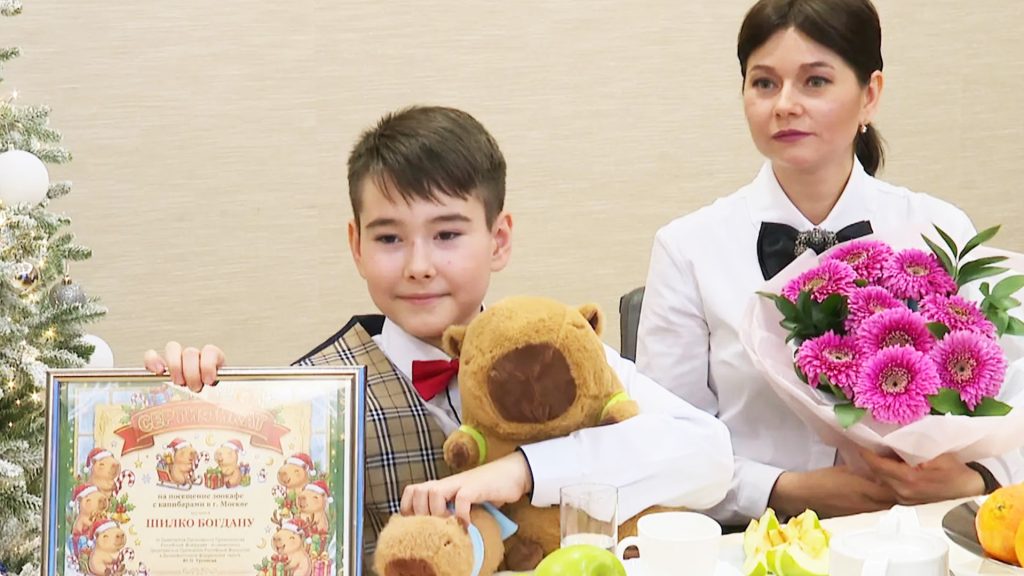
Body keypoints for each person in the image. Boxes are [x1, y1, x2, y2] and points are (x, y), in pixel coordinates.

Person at [145, 106, 734, 565]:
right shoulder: (312, 397)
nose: (419, 266)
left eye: (447, 234)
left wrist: (526, 469)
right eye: (389, 238)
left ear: (499, 240)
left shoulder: (562, 357)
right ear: (356, 245)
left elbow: (710, 455)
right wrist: (196, 400)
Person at [636, 0, 1020, 528]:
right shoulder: (688, 248)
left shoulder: (939, 229)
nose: (784, 105)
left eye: (815, 81)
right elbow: (664, 442)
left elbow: (1014, 388)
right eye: (764, 83)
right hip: (751, 541)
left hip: (919, 533)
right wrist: (783, 490)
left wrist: (976, 478)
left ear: (870, 95)